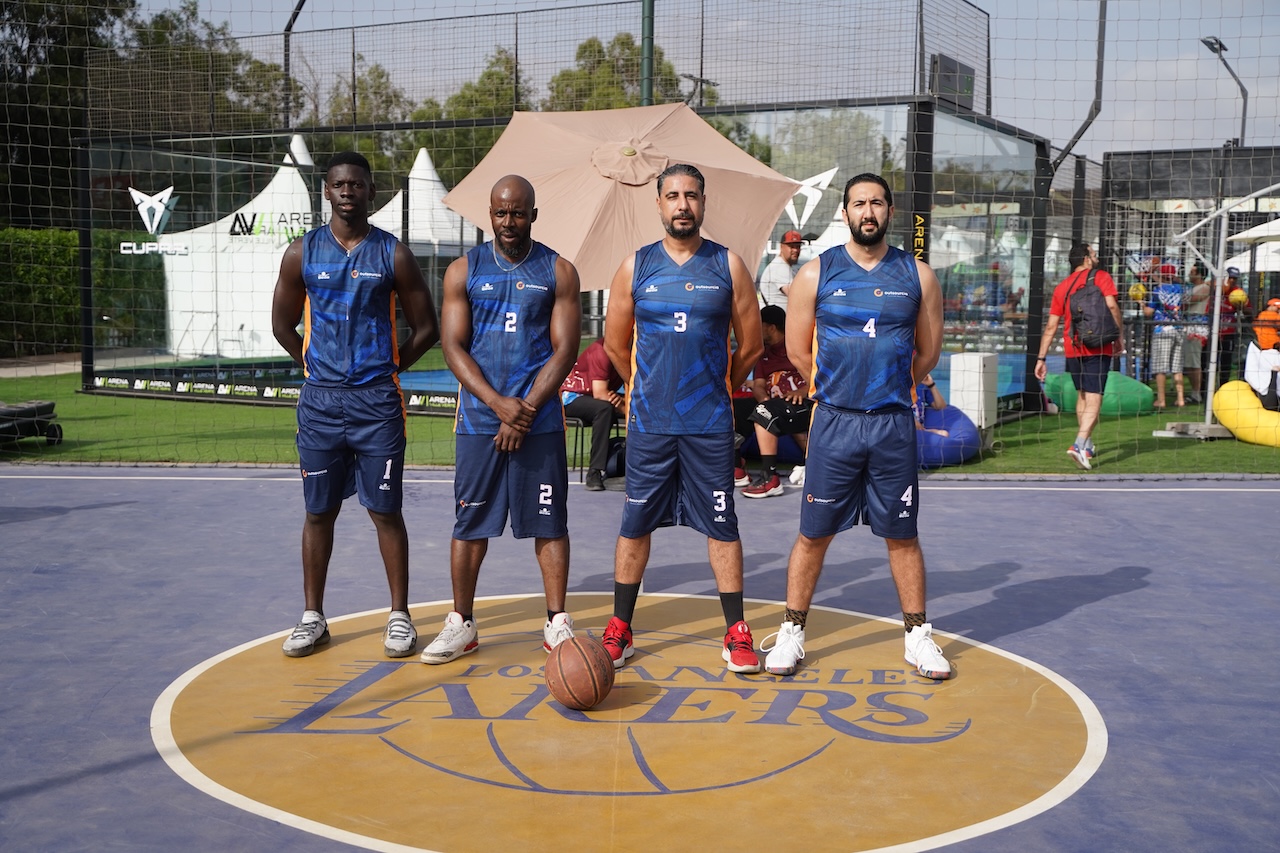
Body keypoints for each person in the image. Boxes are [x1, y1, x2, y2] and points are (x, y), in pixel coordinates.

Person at [759, 172, 951, 681]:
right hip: (835, 424)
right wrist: (842, 387)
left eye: (877, 203)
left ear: (890, 211)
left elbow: (927, 353)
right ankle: (792, 631)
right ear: (845, 213)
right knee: (813, 534)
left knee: (902, 535)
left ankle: (917, 636)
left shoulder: (918, 275)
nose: (868, 212)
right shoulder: (815, 273)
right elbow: (798, 351)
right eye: (859, 204)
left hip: (891, 425)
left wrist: (885, 385)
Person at [270, 151, 439, 659]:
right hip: (320, 404)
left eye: (357, 184)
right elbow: (281, 324)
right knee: (318, 512)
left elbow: (427, 328)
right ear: (326, 191)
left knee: (385, 511)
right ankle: (312, 617)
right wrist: (313, 365)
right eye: (339, 184)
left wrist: (388, 368)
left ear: (370, 191)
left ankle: (400, 616)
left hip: (377, 402)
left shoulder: (393, 254)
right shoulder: (301, 253)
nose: (348, 191)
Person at [600, 163, 764, 673]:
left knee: (722, 524)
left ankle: (736, 632)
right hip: (650, 424)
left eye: (691, 196)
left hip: (708, 423)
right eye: (672, 196)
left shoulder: (728, 264)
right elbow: (614, 343)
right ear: (659, 204)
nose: (682, 205)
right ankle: (621, 628)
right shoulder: (635, 266)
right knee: (634, 524)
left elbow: (751, 345)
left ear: (704, 202)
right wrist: (640, 387)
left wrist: (718, 384)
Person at [420, 175, 583, 664]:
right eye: (500, 212)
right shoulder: (463, 270)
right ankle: (462, 623)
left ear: (533, 215)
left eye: (517, 212)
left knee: (550, 522)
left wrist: (522, 411)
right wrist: (498, 405)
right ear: (489, 214)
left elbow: (565, 350)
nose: (508, 221)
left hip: (539, 421)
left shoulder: (559, 270)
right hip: (479, 421)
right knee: (469, 521)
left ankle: (556, 621)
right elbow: (452, 346)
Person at [1034, 242, 1124, 470]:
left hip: (1073, 347)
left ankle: (1087, 443)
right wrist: (1118, 335)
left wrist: (1041, 358)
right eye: (1093, 254)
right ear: (1086, 259)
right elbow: (1112, 306)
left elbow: (1051, 326)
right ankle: (1079, 444)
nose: (1096, 258)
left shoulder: (1061, 287)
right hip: (1098, 345)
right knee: (1095, 396)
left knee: (1082, 395)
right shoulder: (1101, 277)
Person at [742, 304, 811, 498]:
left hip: (803, 403)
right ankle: (736, 467)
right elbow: (758, 385)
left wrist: (803, 391)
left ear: (771, 327)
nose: (756, 330)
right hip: (775, 405)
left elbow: (818, 377)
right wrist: (764, 400)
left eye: (760, 325)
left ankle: (769, 477)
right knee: (735, 410)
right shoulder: (763, 354)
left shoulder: (798, 347)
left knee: (768, 412)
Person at [560, 337, 625, 491]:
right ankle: (594, 472)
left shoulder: (631, 352)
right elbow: (600, 393)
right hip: (572, 396)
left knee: (633, 409)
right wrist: (625, 408)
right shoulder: (600, 350)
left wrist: (623, 402)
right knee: (604, 409)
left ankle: (632, 465)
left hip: (600, 398)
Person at [1142, 263, 1185, 409]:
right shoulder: (1180, 289)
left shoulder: (1158, 291)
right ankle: (1180, 398)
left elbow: (1148, 312)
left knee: (1160, 368)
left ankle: (1161, 400)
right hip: (1178, 329)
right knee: (1177, 367)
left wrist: (1141, 303)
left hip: (1163, 330)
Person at [1216, 267, 1252, 388]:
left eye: (1234, 278)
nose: (1232, 280)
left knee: (1225, 362)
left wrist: (1241, 307)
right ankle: (1204, 390)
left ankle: (1223, 386)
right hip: (1213, 331)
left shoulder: (1238, 293)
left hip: (1228, 331)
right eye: (1230, 278)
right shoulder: (1217, 289)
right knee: (1207, 361)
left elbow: (1249, 312)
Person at [1182, 261, 1210, 404]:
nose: (1189, 274)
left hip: (1198, 327)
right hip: (1188, 325)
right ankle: (1194, 391)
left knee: (1194, 361)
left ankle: (1196, 393)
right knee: (1188, 362)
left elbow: (1188, 301)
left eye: (1192, 272)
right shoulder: (1191, 288)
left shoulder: (1205, 288)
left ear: (1199, 274)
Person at [758, 230, 805, 308]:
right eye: (792, 246)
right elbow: (797, 296)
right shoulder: (780, 267)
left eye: (798, 246)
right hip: (774, 315)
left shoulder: (786, 266)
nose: (796, 250)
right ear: (781, 246)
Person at [913, 372, 949, 436]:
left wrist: (931, 385)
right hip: (903, 430)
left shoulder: (921, 385)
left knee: (944, 434)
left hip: (920, 430)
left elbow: (941, 406)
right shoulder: (898, 385)